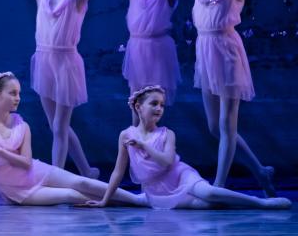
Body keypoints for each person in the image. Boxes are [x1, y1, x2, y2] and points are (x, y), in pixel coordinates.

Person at [178, 0, 275, 194]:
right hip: (206, 53)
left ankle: (220, 186)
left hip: (228, 52)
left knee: (226, 126)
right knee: (213, 126)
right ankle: (260, 171)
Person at [0, 73, 145, 207]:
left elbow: (26, 162)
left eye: (19, 94)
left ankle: (136, 200)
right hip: (15, 188)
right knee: (70, 195)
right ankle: (114, 202)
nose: (17, 98)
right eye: (12, 93)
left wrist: (0, 150)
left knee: (81, 181)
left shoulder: (21, 125)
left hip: (35, 171)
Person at [86, 85, 289, 209]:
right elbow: (117, 172)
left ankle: (261, 203)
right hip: (158, 190)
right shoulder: (126, 135)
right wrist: (105, 200)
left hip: (180, 177)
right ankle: (235, 201)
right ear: (139, 107)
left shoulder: (166, 133)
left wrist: (143, 146)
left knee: (209, 194)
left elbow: (166, 162)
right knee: (209, 205)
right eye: (154, 104)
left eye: (162, 105)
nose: (159, 108)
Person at [21, 0, 100, 177]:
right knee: (58, 126)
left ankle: (57, 178)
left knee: (59, 126)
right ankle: (86, 170)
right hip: (43, 60)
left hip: (66, 63)